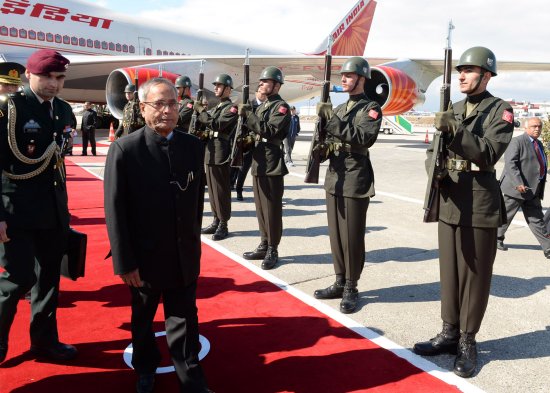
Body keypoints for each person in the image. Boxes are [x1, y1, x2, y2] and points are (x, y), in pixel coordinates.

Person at [413, 47, 515, 378]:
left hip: (479, 203)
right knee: (450, 272)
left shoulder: (500, 110)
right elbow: (432, 152)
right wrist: (436, 170)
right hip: (450, 199)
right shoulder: (453, 108)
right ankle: (449, 332)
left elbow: (487, 153)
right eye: (460, 70)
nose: (462, 75)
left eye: (469, 71)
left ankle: (468, 341)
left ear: (487, 76)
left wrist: (454, 131)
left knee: (474, 275)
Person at [104, 77, 211, 393]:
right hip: (144, 258)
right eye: (159, 104)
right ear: (142, 107)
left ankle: (191, 380)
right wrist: (125, 262)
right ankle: (145, 369)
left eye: (172, 104)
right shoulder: (126, 150)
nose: (167, 111)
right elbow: (115, 210)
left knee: (184, 320)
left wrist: (193, 246)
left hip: (183, 254)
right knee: (143, 319)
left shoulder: (192, 147)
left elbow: (195, 204)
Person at [0, 49, 77, 364]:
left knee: (48, 278)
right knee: (17, 279)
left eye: (59, 78)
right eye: (47, 77)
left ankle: (44, 342)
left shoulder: (63, 110)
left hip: (52, 208)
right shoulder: (10, 110)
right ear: (29, 75)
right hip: (15, 210)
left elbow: (58, 158)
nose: (53, 84)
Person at [312, 57, 382, 314]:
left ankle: (352, 286)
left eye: (349, 76)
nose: (343, 79)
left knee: (352, 236)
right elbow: (334, 139)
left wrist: (330, 118)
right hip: (335, 177)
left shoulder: (371, 108)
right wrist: (322, 149)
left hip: (355, 178)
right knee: (336, 235)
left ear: (362, 79)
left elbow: (363, 138)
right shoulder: (341, 108)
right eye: (342, 75)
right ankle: (340, 280)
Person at [238, 66, 290, 270]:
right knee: (260, 208)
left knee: (272, 210)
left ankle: (273, 248)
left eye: (265, 81)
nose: (260, 84)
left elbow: (269, 130)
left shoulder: (281, 107)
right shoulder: (263, 106)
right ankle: (264, 242)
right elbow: (256, 132)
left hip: (272, 164)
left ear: (276, 85)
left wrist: (249, 114)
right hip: (259, 162)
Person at [497, 117, 550, 256]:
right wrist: (518, 183)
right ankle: (496, 238)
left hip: (533, 189)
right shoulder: (517, 141)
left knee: (537, 219)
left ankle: (548, 248)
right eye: (534, 126)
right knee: (506, 216)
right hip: (516, 188)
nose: (537, 129)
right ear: (526, 127)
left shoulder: (539, 144)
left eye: (539, 126)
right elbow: (510, 164)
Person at [195, 73, 238, 241]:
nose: (215, 88)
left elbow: (216, 124)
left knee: (221, 190)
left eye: (219, 86)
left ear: (228, 89)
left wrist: (201, 111)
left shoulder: (231, 108)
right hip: (211, 151)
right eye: (216, 86)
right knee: (212, 190)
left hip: (221, 152)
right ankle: (216, 219)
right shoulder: (218, 108)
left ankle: (223, 224)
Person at [230, 88, 266, 201]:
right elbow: (242, 123)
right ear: (256, 93)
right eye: (260, 92)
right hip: (248, 142)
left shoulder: (267, 106)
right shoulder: (249, 105)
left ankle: (261, 194)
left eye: (264, 93)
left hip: (260, 142)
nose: (263, 94)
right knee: (243, 168)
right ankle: (239, 190)